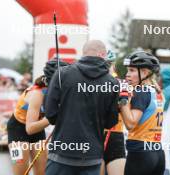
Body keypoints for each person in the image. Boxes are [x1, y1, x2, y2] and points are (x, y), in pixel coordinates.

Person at [45, 40, 119, 175]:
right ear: (103, 55)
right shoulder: (112, 82)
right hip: (92, 156)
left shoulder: (62, 74)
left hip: (61, 152)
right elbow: (111, 122)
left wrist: (65, 117)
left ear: (83, 54)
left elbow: (50, 114)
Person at [7, 59, 68, 175]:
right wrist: (51, 118)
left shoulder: (57, 89)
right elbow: (29, 129)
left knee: (42, 172)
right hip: (18, 129)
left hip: (38, 129)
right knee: (21, 172)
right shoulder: (37, 94)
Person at [119, 51, 165, 175]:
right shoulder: (157, 91)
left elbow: (131, 124)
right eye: (128, 70)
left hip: (140, 153)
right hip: (157, 153)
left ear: (144, 72)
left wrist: (123, 100)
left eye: (132, 70)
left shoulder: (141, 91)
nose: (127, 75)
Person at [100, 52, 126, 175]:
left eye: (109, 64)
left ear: (114, 66)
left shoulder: (121, 83)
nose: (107, 67)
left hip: (115, 136)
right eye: (104, 64)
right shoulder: (92, 83)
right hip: (95, 135)